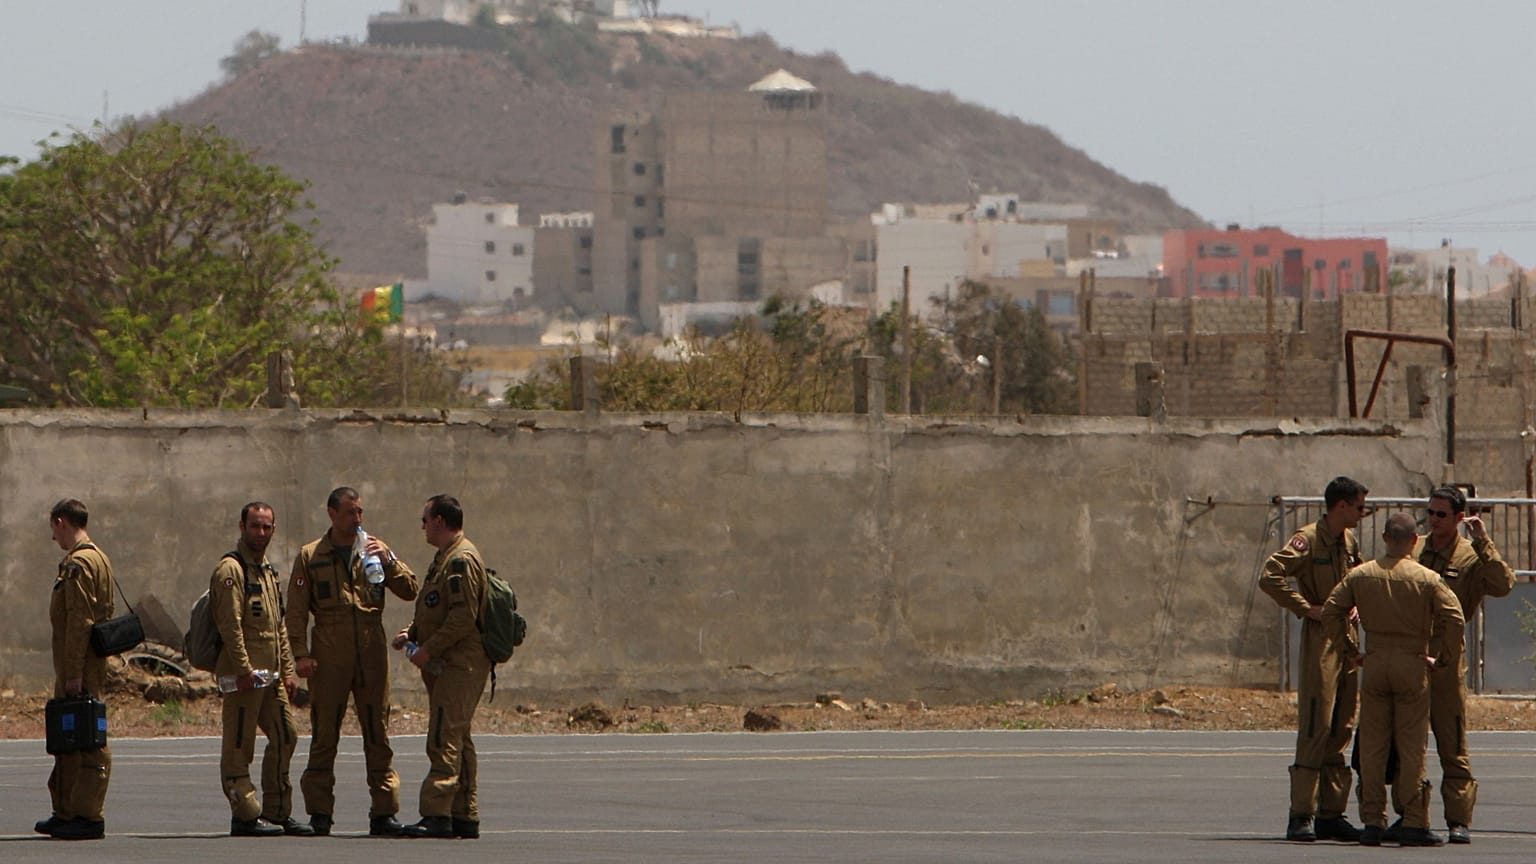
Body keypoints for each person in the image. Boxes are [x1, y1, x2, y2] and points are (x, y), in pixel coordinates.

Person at [1322, 511, 1463, 847]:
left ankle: (1372, 820)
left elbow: (1331, 610)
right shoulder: (1427, 578)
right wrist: (1442, 658)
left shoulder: (1361, 574)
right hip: (1413, 661)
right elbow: (1455, 617)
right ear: (1415, 541)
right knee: (1412, 745)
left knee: (1373, 744)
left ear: (1385, 538)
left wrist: (1350, 649)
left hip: (1376, 660)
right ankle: (1414, 819)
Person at [287, 486, 419, 836]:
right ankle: (319, 813)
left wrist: (388, 559)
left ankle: (384, 812)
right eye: (350, 512)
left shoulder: (374, 549)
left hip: (371, 647)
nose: (357, 519)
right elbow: (297, 611)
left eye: (360, 512)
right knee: (324, 732)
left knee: (378, 730)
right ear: (332, 513)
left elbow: (410, 590)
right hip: (330, 649)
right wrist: (300, 654)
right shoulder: (311, 555)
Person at [1389, 485, 1512, 844]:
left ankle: (1458, 818)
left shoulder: (1470, 557)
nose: (1434, 520)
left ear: (1459, 518)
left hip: (1445, 659)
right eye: (1430, 513)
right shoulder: (1417, 547)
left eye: (1441, 514)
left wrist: (1484, 543)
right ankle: (1411, 814)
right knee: (1407, 743)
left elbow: (1503, 584)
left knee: (1452, 741)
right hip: (1410, 654)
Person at [1258, 475, 1368, 842]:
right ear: (1341, 506)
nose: (1362, 514)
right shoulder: (1308, 539)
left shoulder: (1348, 540)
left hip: (1347, 640)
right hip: (1321, 639)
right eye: (1358, 507)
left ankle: (1331, 813)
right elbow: (1271, 575)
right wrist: (1307, 608)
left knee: (1341, 726)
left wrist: (1356, 604)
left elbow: (1359, 577)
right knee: (1316, 724)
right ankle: (1301, 813)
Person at [391, 494, 490, 839]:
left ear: (440, 521)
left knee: (443, 735)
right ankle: (464, 813)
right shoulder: (445, 558)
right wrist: (413, 634)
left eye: (425, 520)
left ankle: (436, 814)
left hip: (459, 664)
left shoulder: (461, 560)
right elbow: (436, 607)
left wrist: (428, 650)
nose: (422, 526)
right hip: (448, 661)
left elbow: (463, 617)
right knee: (457, 735)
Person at [212, 502, 313, 837]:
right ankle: (244, 813)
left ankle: (277, 811)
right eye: (255, 526)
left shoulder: (267, 570)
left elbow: (278, 625)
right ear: (242, 526)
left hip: (270, 677)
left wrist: (287, 671)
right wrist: (242, 670)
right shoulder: (231, 570)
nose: (261, 533)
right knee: (240, 746)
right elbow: (230, 627)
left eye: (267, 527)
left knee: (286, 734)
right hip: (245, 679)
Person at [36, 499, 113, 841]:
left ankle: (88, 814)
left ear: (61, 521)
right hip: (79, 664)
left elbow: (80, 622)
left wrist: (72, 673)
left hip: (81, 666)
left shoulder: (80, 563)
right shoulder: (95, 557)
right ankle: (66, 811)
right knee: (68, 737)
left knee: (87, 739)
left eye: (54, 529)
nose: (54, 537)